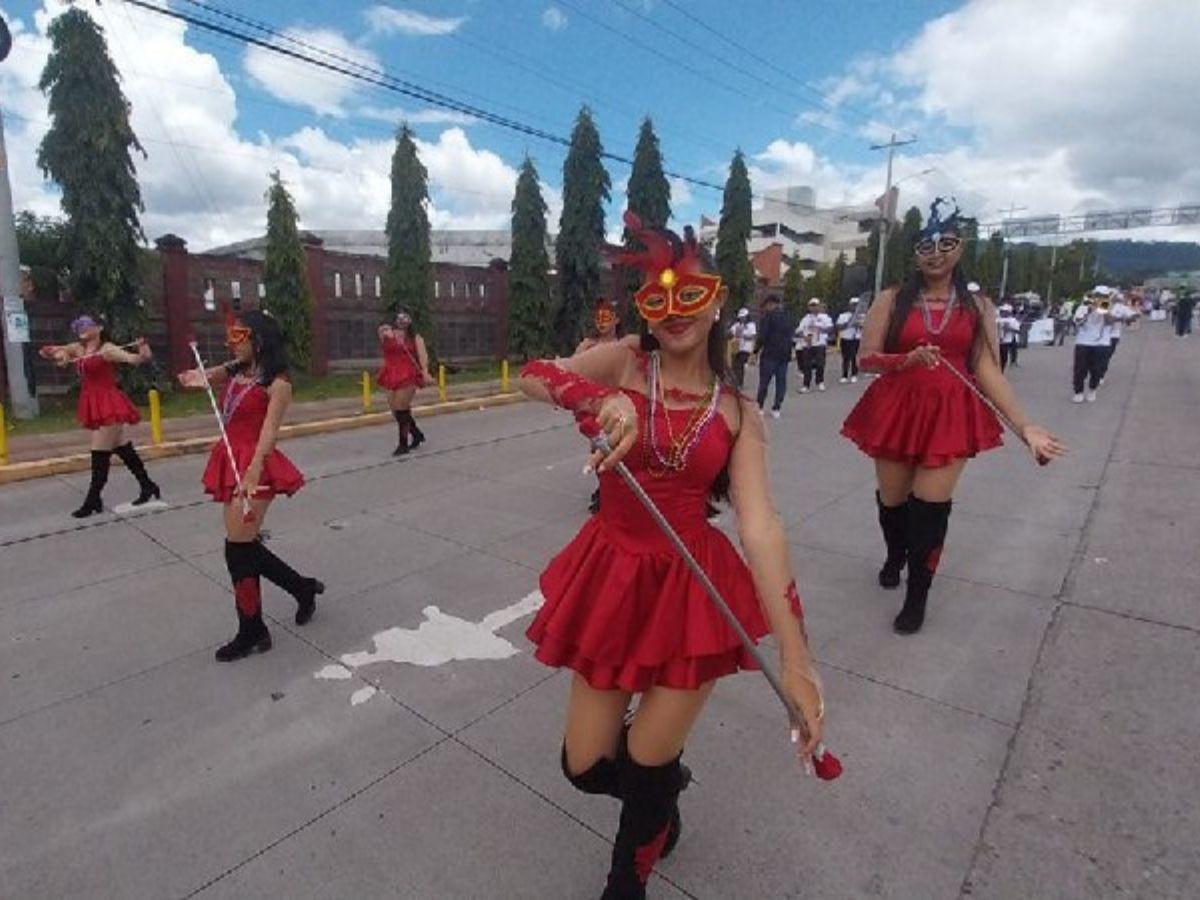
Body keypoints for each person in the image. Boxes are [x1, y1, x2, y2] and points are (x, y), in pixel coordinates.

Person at [518, 212, 825, 899]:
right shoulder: (627, 359)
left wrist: (798, 662)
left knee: (647, 759)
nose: (672, 312)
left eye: (690, 294)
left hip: (692, 591)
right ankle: (665, 792)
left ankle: (629, 874)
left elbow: (762, 528)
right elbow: (533, 376)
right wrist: (598, 400)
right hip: (611, 572)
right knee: (585, 765)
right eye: (656, 298)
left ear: (717, 299)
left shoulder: (738, 412)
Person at [841, 198, 1065, 634]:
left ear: (960, 248)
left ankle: (917, 596)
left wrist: (1025, 426)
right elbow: (865, 358)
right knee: (893, 503)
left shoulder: (977, 306)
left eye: (946, 244)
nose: (936, 253)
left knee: (930, 509)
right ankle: (894, 553)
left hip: (951, 414)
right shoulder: (891, 299)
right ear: (915, 253)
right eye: (926, 245)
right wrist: (903, 361)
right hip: (896, 407)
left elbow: (987, 369)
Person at [178, 311, 324, 662]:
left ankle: (253, 630)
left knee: (237, 547)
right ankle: (301, 589)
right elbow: (204, 376)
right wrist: (194, 377)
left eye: (238, 336)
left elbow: (269, 433)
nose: (231, 342)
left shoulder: (278, 383)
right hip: (230, 457)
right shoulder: (236, 370)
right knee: (241, 547)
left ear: (257, 338)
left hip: (256, 462)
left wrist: (254, 470)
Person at [38, 314, 160, 517]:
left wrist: (143, 348)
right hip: (92, 400)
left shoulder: (107, 349)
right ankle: (148, 485)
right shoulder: (79, 348)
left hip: (108, 402)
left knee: (99, 451)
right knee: (122, 448)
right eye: (78, 325)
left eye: (86, 324)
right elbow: (61, 354)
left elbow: (136, 359)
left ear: (99, 328)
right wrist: (51, 352)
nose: (81, 328)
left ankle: (93, 499)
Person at [575, 299, 625, 514]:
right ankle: (604, 489)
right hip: (593, 407)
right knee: (597, 448)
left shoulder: (625, 346)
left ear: (617, 320)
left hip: (619, 406)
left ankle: (612, 493)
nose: (602, 322)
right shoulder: (588, 345)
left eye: (607, 317)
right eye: (599, 318)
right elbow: (573, 370)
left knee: (614, 450)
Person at [377, 311, 433, 456]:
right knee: (396, 410)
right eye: (399, 318)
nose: (402, 321)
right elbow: (382, 342)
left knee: (401, 407)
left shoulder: (415, 337)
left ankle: (403, 444)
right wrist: (386, 333)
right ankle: (416, 434)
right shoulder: (387, 333)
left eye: (405, 318)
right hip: (390, 373)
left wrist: (425, 372)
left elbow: (422, 356)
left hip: (408, 373)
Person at [754, 294, 793, 418]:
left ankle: (760, 406)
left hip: (770, 354)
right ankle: (777, 407)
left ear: (770, 304)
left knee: (764, 381)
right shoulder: (788, 317)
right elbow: (791, 335)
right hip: (784, 354)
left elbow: (762, 336)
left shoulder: (768, 317)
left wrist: (755, 350)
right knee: (781, 382)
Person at [1072, 289, 1115, 402]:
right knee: (1080, 369)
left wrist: (1104, 311)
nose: (1099, 298)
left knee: (1097, 369)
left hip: (1101, 343)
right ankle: (1078, 392)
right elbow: (1077, 322)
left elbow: (1110, 322)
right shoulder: (1083, 307)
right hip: (1083, 341)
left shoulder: (1108, 307)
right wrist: (1089, 310)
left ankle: (1092, 389)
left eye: (1102, 296)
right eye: (1097, 296)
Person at [794, 298, 834, 393]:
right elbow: (798, 331)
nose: (814, 308)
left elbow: (830, 328)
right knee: (807, 365)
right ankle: (806, 385)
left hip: (820, 343)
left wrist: (820, 329)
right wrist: (804, 336)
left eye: (815, 305)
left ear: (819, 306)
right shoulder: (805, 318)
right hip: (808, 344)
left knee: (820, 364)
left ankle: (820, 382)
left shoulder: (824, 317)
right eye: (812, 306)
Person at [836, 298, 865, 383]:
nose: (854, 306)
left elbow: (865, 327)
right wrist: (848, 324)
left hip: (856, 338)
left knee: (854, 357)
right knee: (845, 357)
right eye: (853, 304)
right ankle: (844, 375)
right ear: (850, 305)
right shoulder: (843, 315)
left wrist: (858, 325)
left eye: (856, 305)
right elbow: (838, 326)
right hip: (846, 338)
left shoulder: (862, 316)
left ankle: (854, 374)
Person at [728, 307, 756, 389]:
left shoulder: (751, 325)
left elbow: (752, 336)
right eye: (741, 317)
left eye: (743, 317)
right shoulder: (737, 325)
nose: (742, 319)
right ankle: (734, 381)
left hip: (745, 348)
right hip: (736, 347)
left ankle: (739, 383)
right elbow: (731, 332)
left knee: (739, 365)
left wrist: (743, 335)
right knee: (734, 366)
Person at [997, 303, 1021, 373]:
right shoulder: (997, 319)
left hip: (1006, 341)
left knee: (1004, 357)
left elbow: (1018, 331)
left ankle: (1002, 370)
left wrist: (1009, 328)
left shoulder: (1013, 320)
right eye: (1002, 311)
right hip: (996, 341)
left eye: (1005, 311)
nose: (1003, 312)